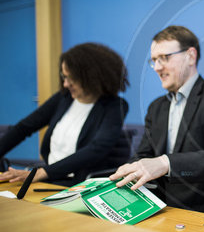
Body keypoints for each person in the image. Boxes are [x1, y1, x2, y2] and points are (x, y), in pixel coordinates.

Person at [110, 25, 204, 216]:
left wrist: (166, 163)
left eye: (164, 58)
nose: (157, 67)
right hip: (160, 208)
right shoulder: (156, 107)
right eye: (154, 60)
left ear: (190, 56)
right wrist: (130, 170)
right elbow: (144, 154)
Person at [0, 43, 129, 185]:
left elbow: (96, 148)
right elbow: (24, 127)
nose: (66, 84)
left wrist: (43, 172)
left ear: (92, 77)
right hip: (48, 180)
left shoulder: (115, 106)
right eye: (64, 77)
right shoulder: (63, 98)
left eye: (71, 78)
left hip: (78, 184)